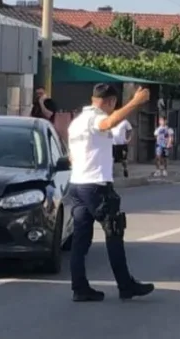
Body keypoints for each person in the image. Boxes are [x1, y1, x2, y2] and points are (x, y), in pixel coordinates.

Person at [66, 83, 154, 302]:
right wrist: (135, 102)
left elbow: (77, 152)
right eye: (114, 105)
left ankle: (80, 288)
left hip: (78, 184)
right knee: (114, 233)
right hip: (96, 186)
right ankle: (126, 286)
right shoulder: (95, 118)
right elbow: (107, 122)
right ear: (110, 102)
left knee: (80, 240)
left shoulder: (76, 122)